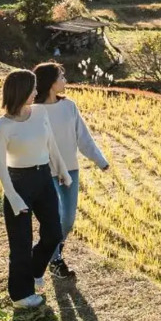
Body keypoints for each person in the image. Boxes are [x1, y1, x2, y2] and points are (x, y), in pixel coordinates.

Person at [0, 69, 71, 308]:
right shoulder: (2, 126)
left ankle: (36, 271)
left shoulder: (39, 113)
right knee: (21, 243)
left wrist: (63, 171)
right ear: (21, 91)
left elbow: (51, 143)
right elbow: (0, 166)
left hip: (43, 178)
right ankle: (20, 295)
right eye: (33, 88)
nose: (37, 92)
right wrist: (13, 197)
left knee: (54, 234)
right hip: (18, 182)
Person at [33, 61, 110, 279]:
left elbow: (83, 138)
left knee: (68, 220)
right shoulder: (33, 111)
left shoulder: (69, 107)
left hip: (70, 170)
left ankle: (50, 250)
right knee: (54, 219)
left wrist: (100, 160)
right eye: (61, 77)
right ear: (50, 82)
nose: (65, 81)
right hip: (44, 172)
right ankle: (55, 260)